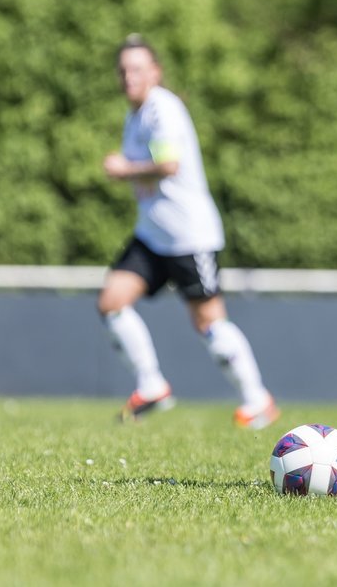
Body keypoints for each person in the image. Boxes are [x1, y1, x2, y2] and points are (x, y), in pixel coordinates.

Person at [98, 35, 278, 429]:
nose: (129, 77)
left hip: (188, 236)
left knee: (209, 323)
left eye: (138, 69)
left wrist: (123, 169)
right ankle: (151, 385)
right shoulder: (136, 113)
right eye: (124, 70)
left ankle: (257, 399)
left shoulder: (163, 108)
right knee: (112, 300)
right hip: (152, 235)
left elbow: (169, 164)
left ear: (155, 72)